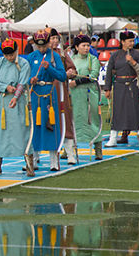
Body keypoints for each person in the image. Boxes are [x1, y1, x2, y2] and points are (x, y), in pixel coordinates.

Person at [0, 38, 31, 175]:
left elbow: (23, 82)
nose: (9, 57)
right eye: (6, 55)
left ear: (16, 51)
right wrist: (5, 87)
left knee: (23, 130)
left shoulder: (23, 63)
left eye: (11, 54)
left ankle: (29, 164)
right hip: (3, 102)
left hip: (18, 102)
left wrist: (16, 96)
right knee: (1, 132)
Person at [24, 30, 67, 172]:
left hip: (49, 93)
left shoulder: (54, 56)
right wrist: (31, 80)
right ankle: (34, 159)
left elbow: (62, 76)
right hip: (36, 94)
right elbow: (25, 76)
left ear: (48, 43)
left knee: (51, 124)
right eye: (39, 46)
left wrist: (50, 69)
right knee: (35, 125)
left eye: (44, 46)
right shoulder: (31, 56)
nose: (42, 49)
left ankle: (54, 161)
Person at [103, 31, 139, 148]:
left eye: (133, 41)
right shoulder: (115, 55)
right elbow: (109, 73)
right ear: (122, 42)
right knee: (117, 112)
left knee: (137, 111)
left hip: (133, 85)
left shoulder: (137, 55)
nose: (131, 43)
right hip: (119, 86)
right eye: (129, 41)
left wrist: (133, 62)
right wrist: (107, 88)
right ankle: (113, 139)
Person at [70, 35, 103, 160]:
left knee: (92, 118)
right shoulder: (71, 59)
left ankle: (98, 148)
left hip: (89, 93)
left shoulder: (93, 59)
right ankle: (70, 147)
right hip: (74, 95)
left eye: (88, 45)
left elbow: (94, 75)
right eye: (83, 45)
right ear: (77, 47)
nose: (86, 48)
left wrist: (77, 82)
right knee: (74, 119)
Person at [49, 29, 79, 164]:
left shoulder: (62, 54)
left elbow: (72, 69)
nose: (55, 41)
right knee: (46, 122)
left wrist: (70, 72)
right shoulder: (42, 54)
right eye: (52, 38)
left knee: (65, 121)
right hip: (46, 92)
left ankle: (70, 153)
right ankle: (40, 157)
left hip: (61, 91)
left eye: (56, 38)